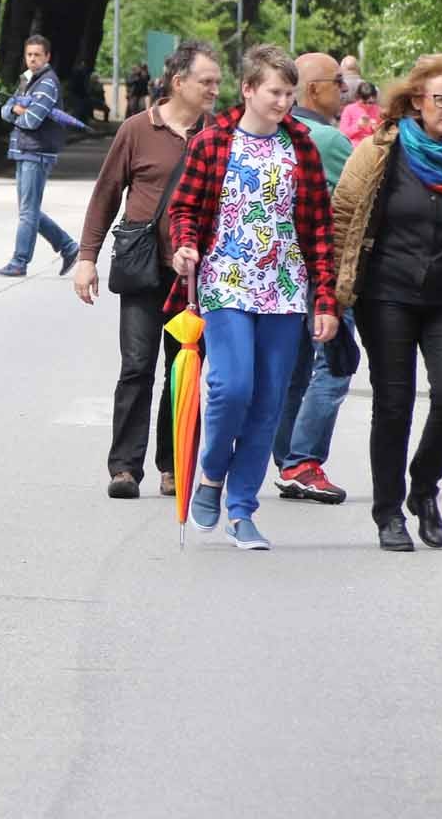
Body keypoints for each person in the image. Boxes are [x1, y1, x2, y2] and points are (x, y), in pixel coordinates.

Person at [169, 45, 338, 551]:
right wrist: (184, 244)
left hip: (285, 292)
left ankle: (242, 511)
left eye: (289, 93)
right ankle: (211, 476)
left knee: (267, 402)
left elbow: (319, 230)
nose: (284, 102)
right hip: (225, 284)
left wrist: (325, 300)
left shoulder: (301, 148)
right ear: (248, 90)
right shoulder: (214, 142)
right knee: (230, 387)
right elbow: (184, 208)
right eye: (274, 92)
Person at [74, 40, 221, 500]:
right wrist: (85, 258)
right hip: (142, 269)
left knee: (184, 369)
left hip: (195, 276)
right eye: (207, 82)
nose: (216, 89)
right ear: (179, 83)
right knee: (137, 367)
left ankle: (172, 464)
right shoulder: (137, 129)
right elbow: (106, 194)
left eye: (217, 82)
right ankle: (124, 467)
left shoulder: (219, 134)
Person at [331, 56, 442, 552]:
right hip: (386, 296)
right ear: (416, 102)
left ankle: (424, 488)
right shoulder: (380, 151)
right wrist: (333, 295)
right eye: (440, 99)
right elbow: (344, 214)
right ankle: (388, 511)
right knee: (393, 405)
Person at [271, 52, 357, 505]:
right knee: (336, 364)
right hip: (325, 273)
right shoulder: (326, 139)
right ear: (312, 90)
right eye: (337, 81)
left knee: (295, 369)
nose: (345, 88)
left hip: (284, 272)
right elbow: (364, 199)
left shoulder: (277, 134)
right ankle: (303, 460)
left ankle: (287, 458)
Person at [0, 36, 80, 278]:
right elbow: (5, 109)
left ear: (47, 57)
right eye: (29, 54)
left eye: (37, 55)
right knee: (28, 210)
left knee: (27, 211)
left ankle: (20, 261)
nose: (32, 59)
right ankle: (68, 247)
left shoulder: (47, 83)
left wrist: (17, 111)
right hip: (23, 150)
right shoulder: (27, 79)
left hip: (37, 151)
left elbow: (32, 120)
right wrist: (15, 109)